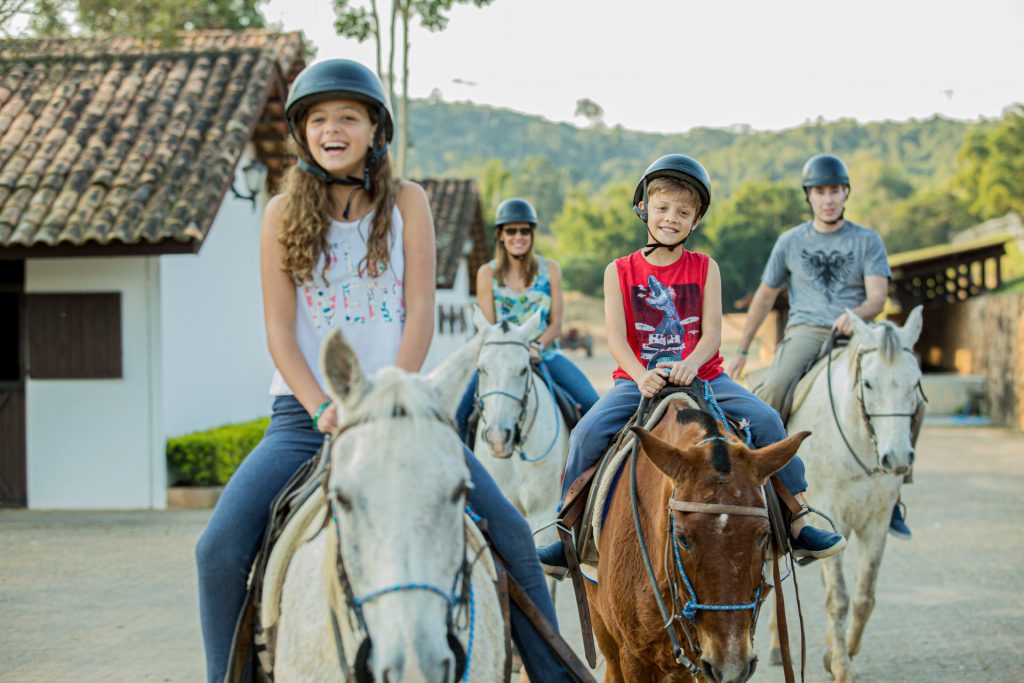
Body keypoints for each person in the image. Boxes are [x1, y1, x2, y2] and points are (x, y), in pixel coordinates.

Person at [194, 59, 574, 682]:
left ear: (375, 130)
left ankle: (554, 674)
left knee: (509, 532)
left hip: (402, 409)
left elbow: (419, 311)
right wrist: (323, 407)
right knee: (217, 549)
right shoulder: (280, 214)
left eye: (349, 116)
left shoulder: (408, 203)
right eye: (318, 119)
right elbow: (280, 333)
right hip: (307, 416)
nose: (332, 129)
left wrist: (390, 398)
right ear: (302, 134)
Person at [537, 154, 847, 575]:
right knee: (587, 434)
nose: (671, 219)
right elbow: (616, 338)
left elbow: (712, 336)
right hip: (640, 379)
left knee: (769, 420)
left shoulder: (705, 268)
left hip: (705, 377)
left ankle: (798, 521)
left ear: (696, 220)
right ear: (644, 207)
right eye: (662, 208)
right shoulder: (619, 270)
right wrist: (640, 374)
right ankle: (566, 532)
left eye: (683, 212)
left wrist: (691, 364)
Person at [723, 153, 913, 539]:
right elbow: (764, 296)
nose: (828, 199)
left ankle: (894, 493)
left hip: (859, 331)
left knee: (910, 390)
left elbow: (878, 297)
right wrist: (742, 348)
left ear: (846, 194)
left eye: (835, 191)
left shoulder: (867, 240)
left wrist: (855, 314)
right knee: (772, 389)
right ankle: (755, 482)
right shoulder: (790, 242)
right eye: (820, 192)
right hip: (807, 330)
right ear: (809, 196)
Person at [455, 198, 599, 439]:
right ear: (500, 235)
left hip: (543, 353)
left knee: (592, 405)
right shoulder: (486, 274)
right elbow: (489, 328)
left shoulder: (550, 269)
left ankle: (587, 473)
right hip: (501, 357)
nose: (518, 236)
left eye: (524, 230)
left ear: (532, 234)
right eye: (511, 230)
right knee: (459, 415)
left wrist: (536, 346)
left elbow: (556, 324)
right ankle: (465, 472)